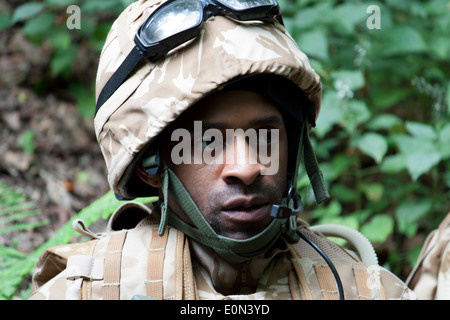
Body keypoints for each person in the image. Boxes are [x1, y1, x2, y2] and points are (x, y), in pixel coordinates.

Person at [29, 0, 415, 300]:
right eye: (207, 141)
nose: (247, 167)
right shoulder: (84, 291)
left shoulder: (363, 288)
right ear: (150, 163)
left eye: (266, 135)